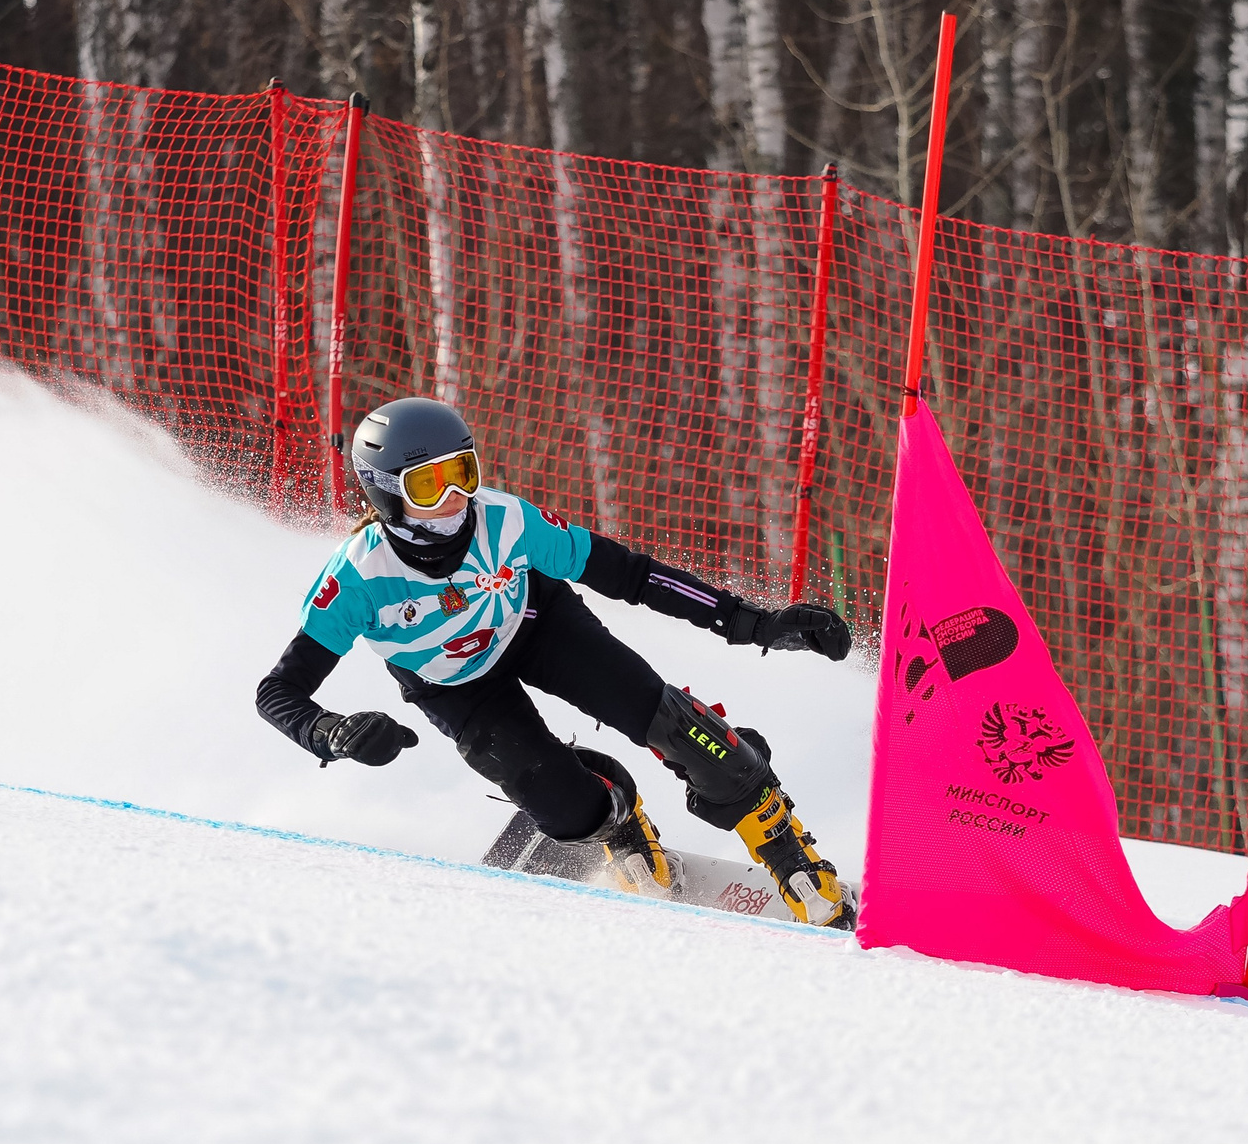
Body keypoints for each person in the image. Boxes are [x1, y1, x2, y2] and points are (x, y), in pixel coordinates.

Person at [256, 397, 858, 928]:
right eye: (427, 486)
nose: (454, 501)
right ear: (384, 491)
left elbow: (630, 574)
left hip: (538, 627)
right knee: (564, 806)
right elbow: (279, 690)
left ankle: (783, 844)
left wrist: (748, 621)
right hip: (455, 685)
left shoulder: (505, 520)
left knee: (677, 728)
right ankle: (618, 823)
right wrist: (331, 733)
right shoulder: (358, 576)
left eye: (462, 474)